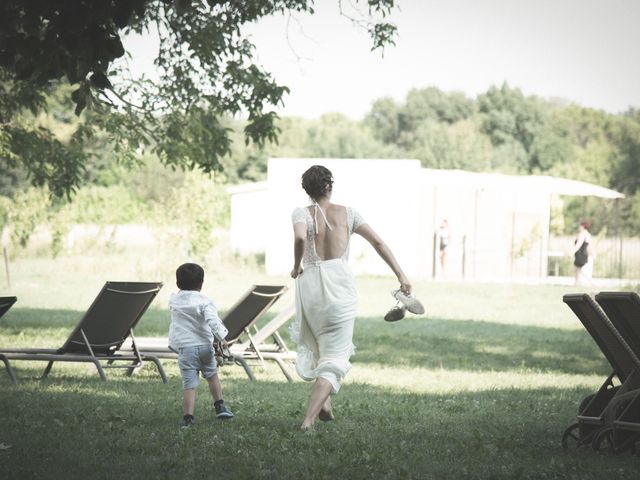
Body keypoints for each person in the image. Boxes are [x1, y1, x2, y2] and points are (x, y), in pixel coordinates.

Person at [290, 165, 413, 430]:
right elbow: (378, 243)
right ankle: (308, 420)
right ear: (329, 186)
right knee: (335, 355)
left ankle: (325, 405)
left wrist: (296, 264)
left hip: (310, 286)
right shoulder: (349, 213)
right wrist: (401, 275)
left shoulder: (302, 213)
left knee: (322, 346)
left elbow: (300, 237)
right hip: (339, 285)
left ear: (308, 190)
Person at [169, 262, 234, 427]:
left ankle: (188, 418)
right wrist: (222, 337)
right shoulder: (205, 301)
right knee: (212, 376)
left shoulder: (174, 301)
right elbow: (212, 320)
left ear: (178, 283)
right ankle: (220, 406)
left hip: (185, 349)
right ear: (201, 284)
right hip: (205, 347)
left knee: (189, 383)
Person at [573, 221, 594, 286]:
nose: (579, 227)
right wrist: (593, 255)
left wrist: (572, 252)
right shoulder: (588, 234)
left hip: (580, 254)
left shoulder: (582, 234)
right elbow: (591, 246)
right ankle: (577, 283)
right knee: (578, 270)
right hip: (585, 254)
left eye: (580, 226)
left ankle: (577, 283)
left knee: (578, 270)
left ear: (583, 226)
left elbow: (578, 245)